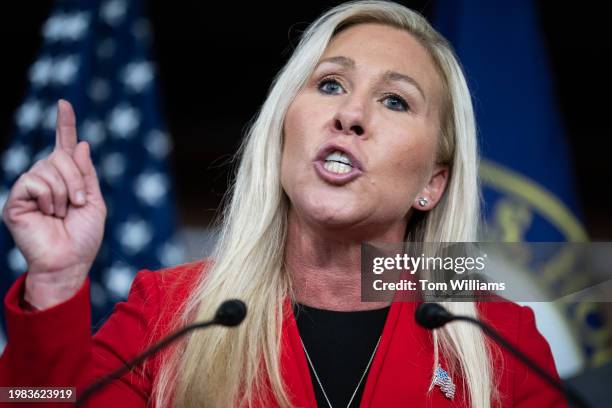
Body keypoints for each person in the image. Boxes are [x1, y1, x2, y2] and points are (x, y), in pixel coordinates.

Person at [1, 1, 565, 407]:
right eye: (329, 84)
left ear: (433, 184)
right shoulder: (168, 315)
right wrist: (53, 282)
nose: (350, 114)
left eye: (395, 100)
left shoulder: (501, 342)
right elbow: (34, 398)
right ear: (283, 132)